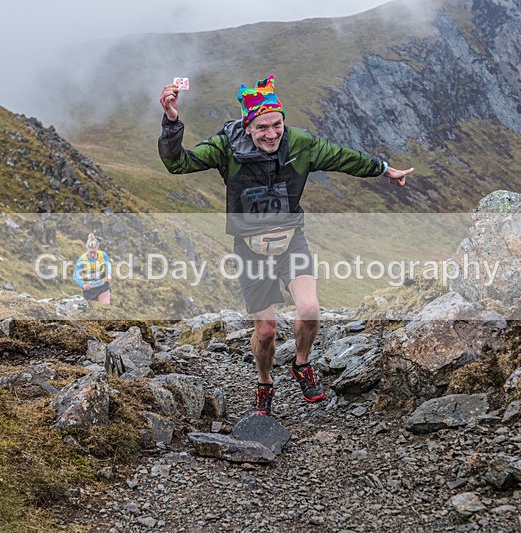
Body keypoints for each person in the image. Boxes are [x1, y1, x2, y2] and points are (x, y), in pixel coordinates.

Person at [158, 75, 413, 416]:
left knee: (309, 311)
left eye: (277, 124)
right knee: (266, 331)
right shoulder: (226, 148)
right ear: (248, 127)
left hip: (291, 240)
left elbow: (342, 157)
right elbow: (178, 163)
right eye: (262, 127)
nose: (272, 133)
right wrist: (172, 122)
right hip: (250, 249)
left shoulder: (299, 144)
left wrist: (384, 169)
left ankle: (301, 363)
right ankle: (264, 381)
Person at [73, 233, 112, 304]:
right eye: (90, 252)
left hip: (103, 287)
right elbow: (75, 276)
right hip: (89, 290)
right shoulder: (82, 259)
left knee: (105, 309)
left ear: (97, 249)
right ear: (87, 249)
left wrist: (108, 274)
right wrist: (83, 285)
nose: (93, 255)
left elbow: (107, 265)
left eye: (94, 252)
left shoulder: (103, 255)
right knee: (93, 313)